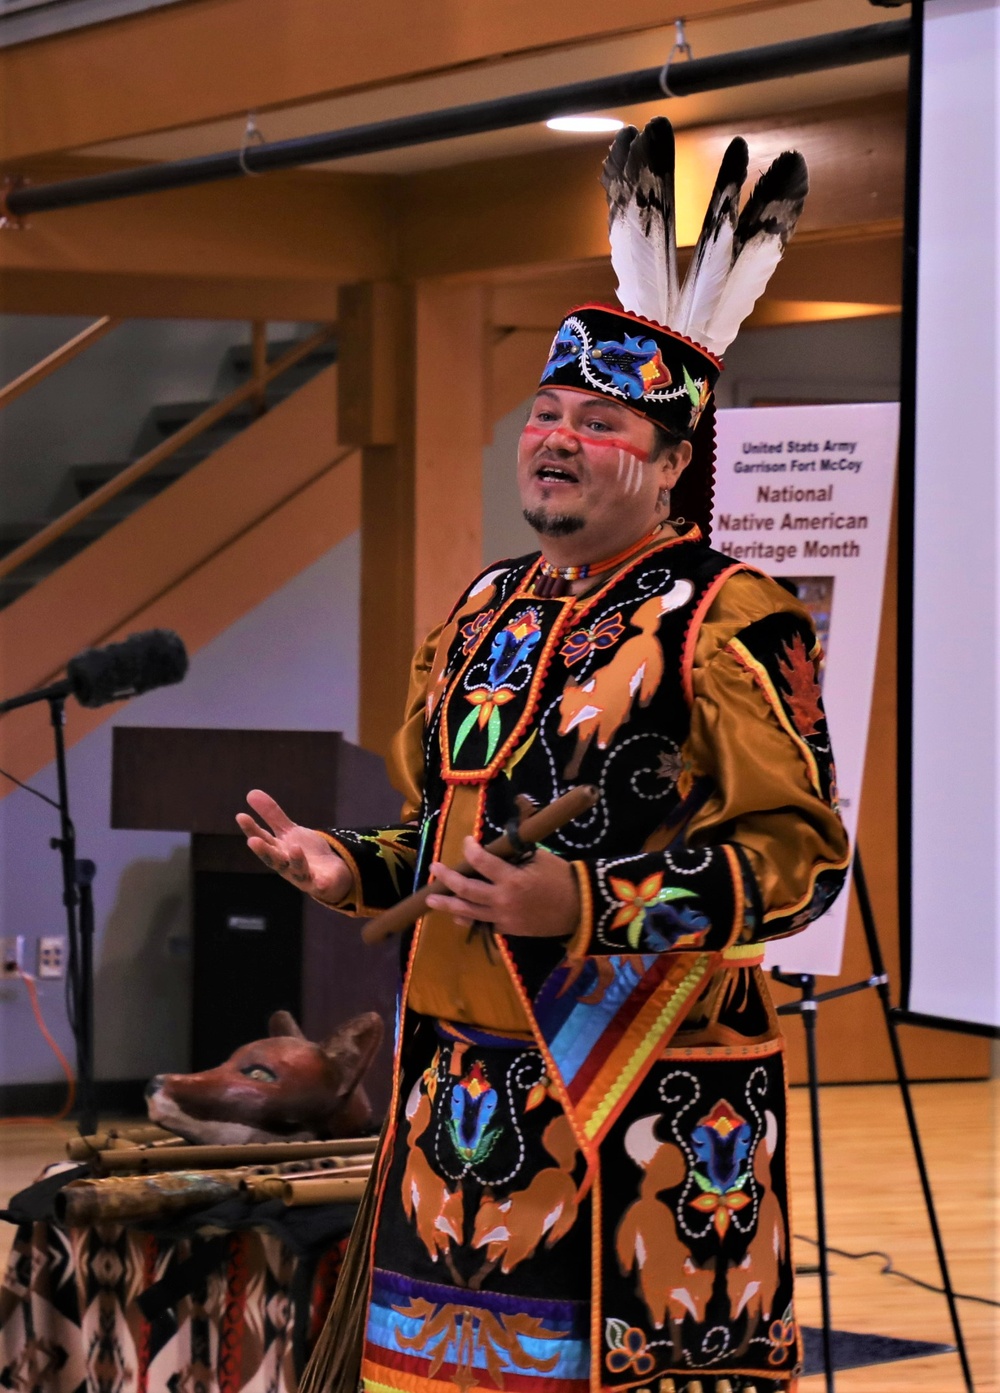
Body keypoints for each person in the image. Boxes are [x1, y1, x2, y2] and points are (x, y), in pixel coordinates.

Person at [237, 121, 848, 1393]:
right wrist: (347, 866)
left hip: (641, 1092)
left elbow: (798, 862)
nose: (557, 438)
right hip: (452, 1092)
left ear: (675, 462)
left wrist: (583, 900)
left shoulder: (728, 615)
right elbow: (445, 830)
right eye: (546, 413)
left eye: (602, 420)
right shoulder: (487, 605)